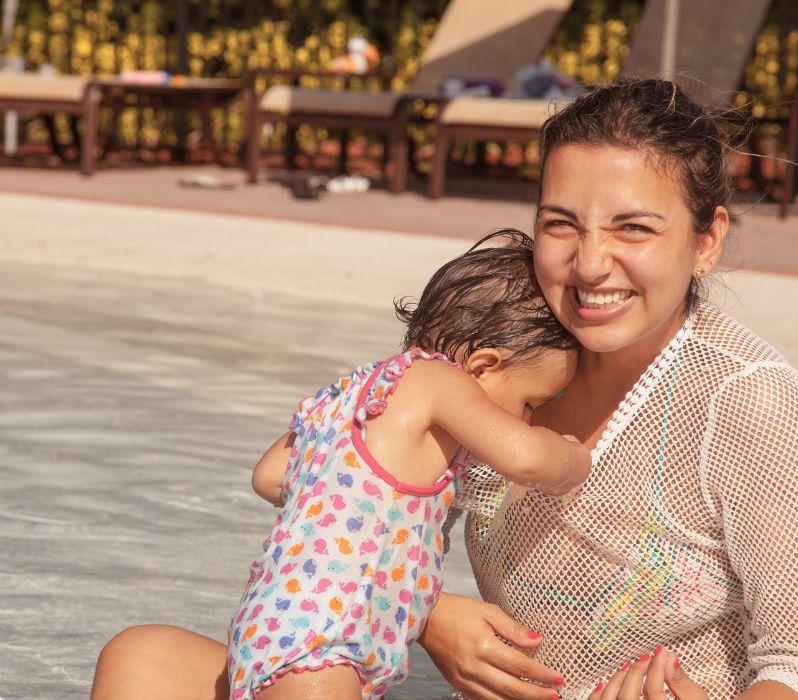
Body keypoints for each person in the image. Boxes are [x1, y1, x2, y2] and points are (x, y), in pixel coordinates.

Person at [91, 79, 798, 700]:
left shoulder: (742, 397)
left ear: (705, 241)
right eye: (561, 224)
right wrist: (427, 613)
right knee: (143, 660)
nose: (589, 264)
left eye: (633, 228)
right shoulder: (502, 358)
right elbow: (342, 491)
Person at [95, 231, 591, 700]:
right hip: (325, 642)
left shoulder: (358, 395)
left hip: (269, 626)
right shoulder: (439, 382)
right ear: (483, 366)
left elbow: (269, 475)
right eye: (531, 403)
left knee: (139, 653)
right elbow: (526, 459)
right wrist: (570, 455)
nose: (529, 418)